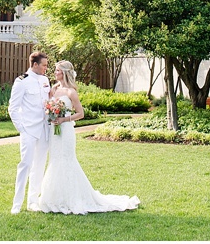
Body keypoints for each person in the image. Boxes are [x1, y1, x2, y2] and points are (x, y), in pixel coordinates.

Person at [37, 60, 140, 214]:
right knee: (55, 160)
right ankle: (55, 199)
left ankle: (73, 198)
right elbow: (48, 106)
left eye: (57, 70)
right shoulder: (53, 90)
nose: (55, 73)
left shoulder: (71, 92)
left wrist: (64, 119)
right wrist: (52, 115)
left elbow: (81, 113)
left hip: (65, 131)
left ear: (64, 72)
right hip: (54, 131)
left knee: (67, 160)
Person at [8, 51, 51, 214]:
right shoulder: (21, 81)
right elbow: (13, 108)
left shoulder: (45, 80)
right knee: (25, 165)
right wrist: (22, 129)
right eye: (44, 65)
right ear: (34, 64)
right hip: (29, 130)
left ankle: (33, 201)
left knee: (39, 166)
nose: (46, 68)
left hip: (44, 130)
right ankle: (17, 204)